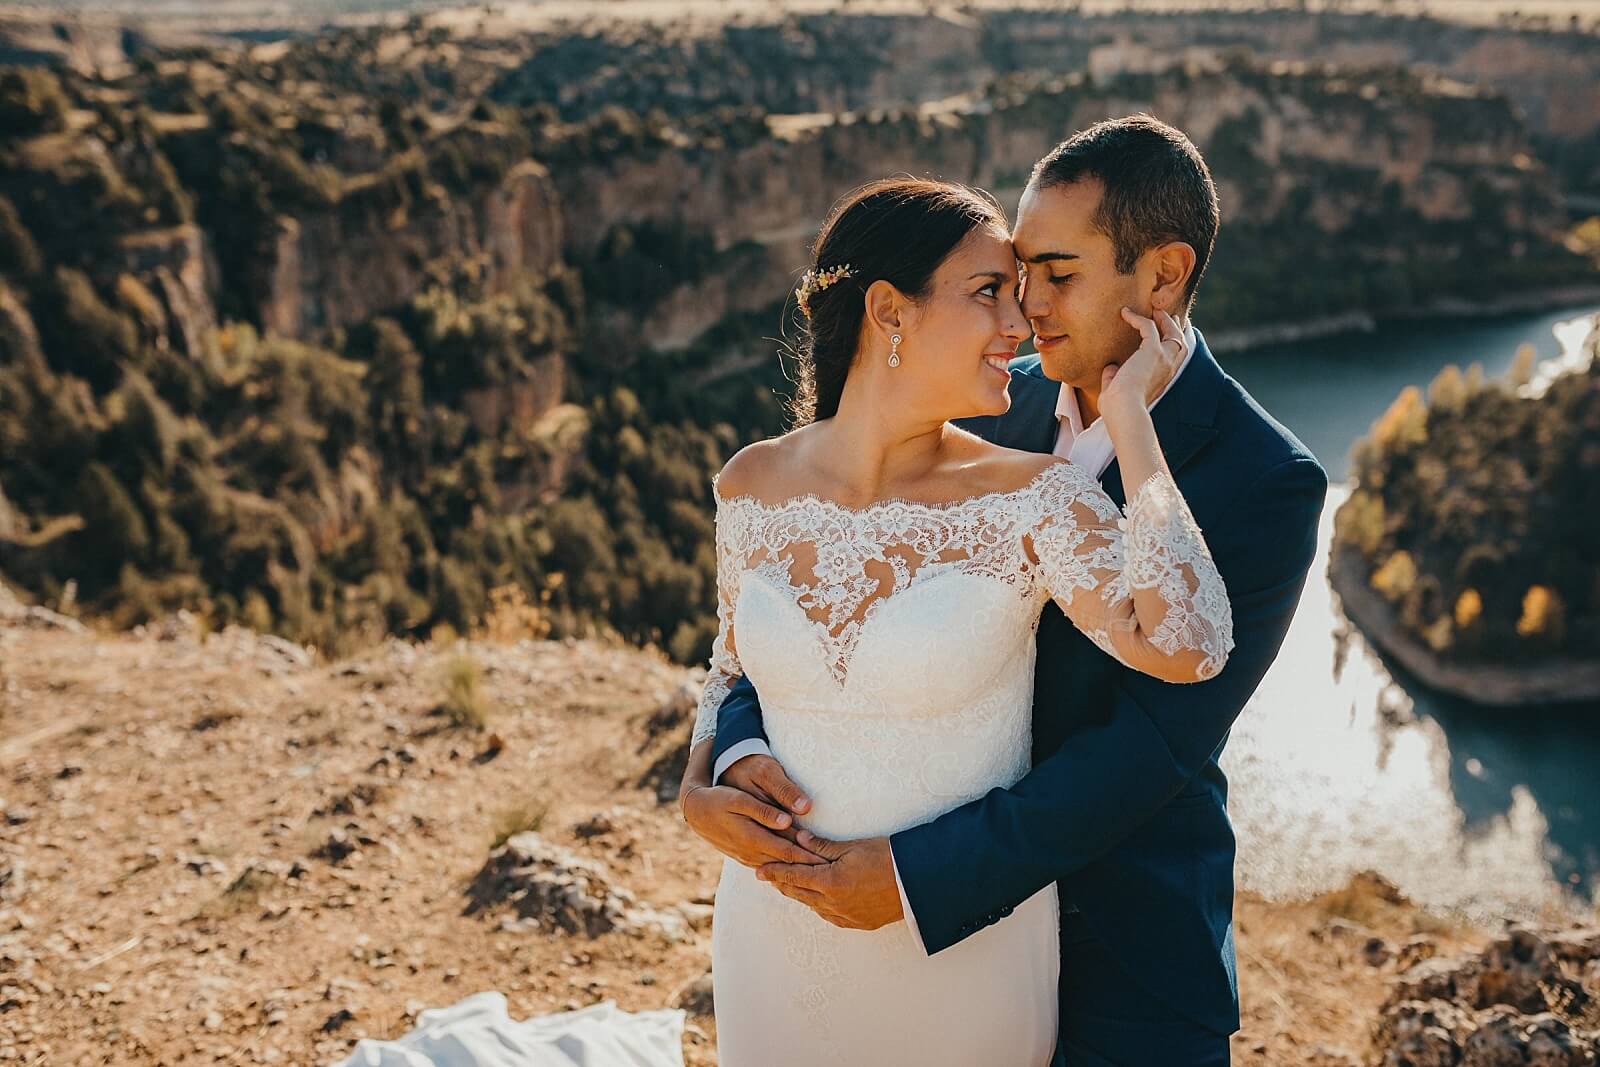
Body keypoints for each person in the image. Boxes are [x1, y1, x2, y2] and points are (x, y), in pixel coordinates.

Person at [680, 116, 1328, 1066]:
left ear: (1163, 277)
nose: (1025, 311)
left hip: (1119, 944)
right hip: (813, 923)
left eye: (1056, 275)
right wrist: (721, 760)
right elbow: (807, 602)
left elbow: (1148, 745)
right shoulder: (980, 393)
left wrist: (908, 879)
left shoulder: (1267, 478)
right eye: (1012, 277)